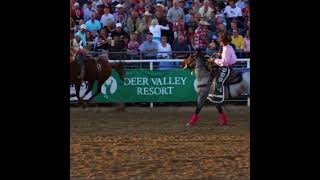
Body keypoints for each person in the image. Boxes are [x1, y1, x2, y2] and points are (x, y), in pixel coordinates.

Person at [207, 35, 237, 103]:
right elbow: (233, 58)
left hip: (226, 68)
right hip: (230, 66)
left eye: (220, 41)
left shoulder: (225, 49)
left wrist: (214, 60)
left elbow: (224, 62)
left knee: (218, 80)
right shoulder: (229, 47)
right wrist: (220, 54)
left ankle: (217, 98)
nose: (220, 42)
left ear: (223, 42)